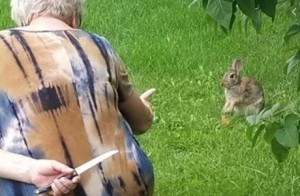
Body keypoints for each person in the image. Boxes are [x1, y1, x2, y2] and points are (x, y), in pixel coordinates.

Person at [0, 0, 155, 195]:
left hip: (36, 189)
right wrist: (142, 106)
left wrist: (29, 169)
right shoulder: (99, 45)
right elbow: (142, 122)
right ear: (74, 18)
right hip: (129, 184)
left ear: (23, 16)